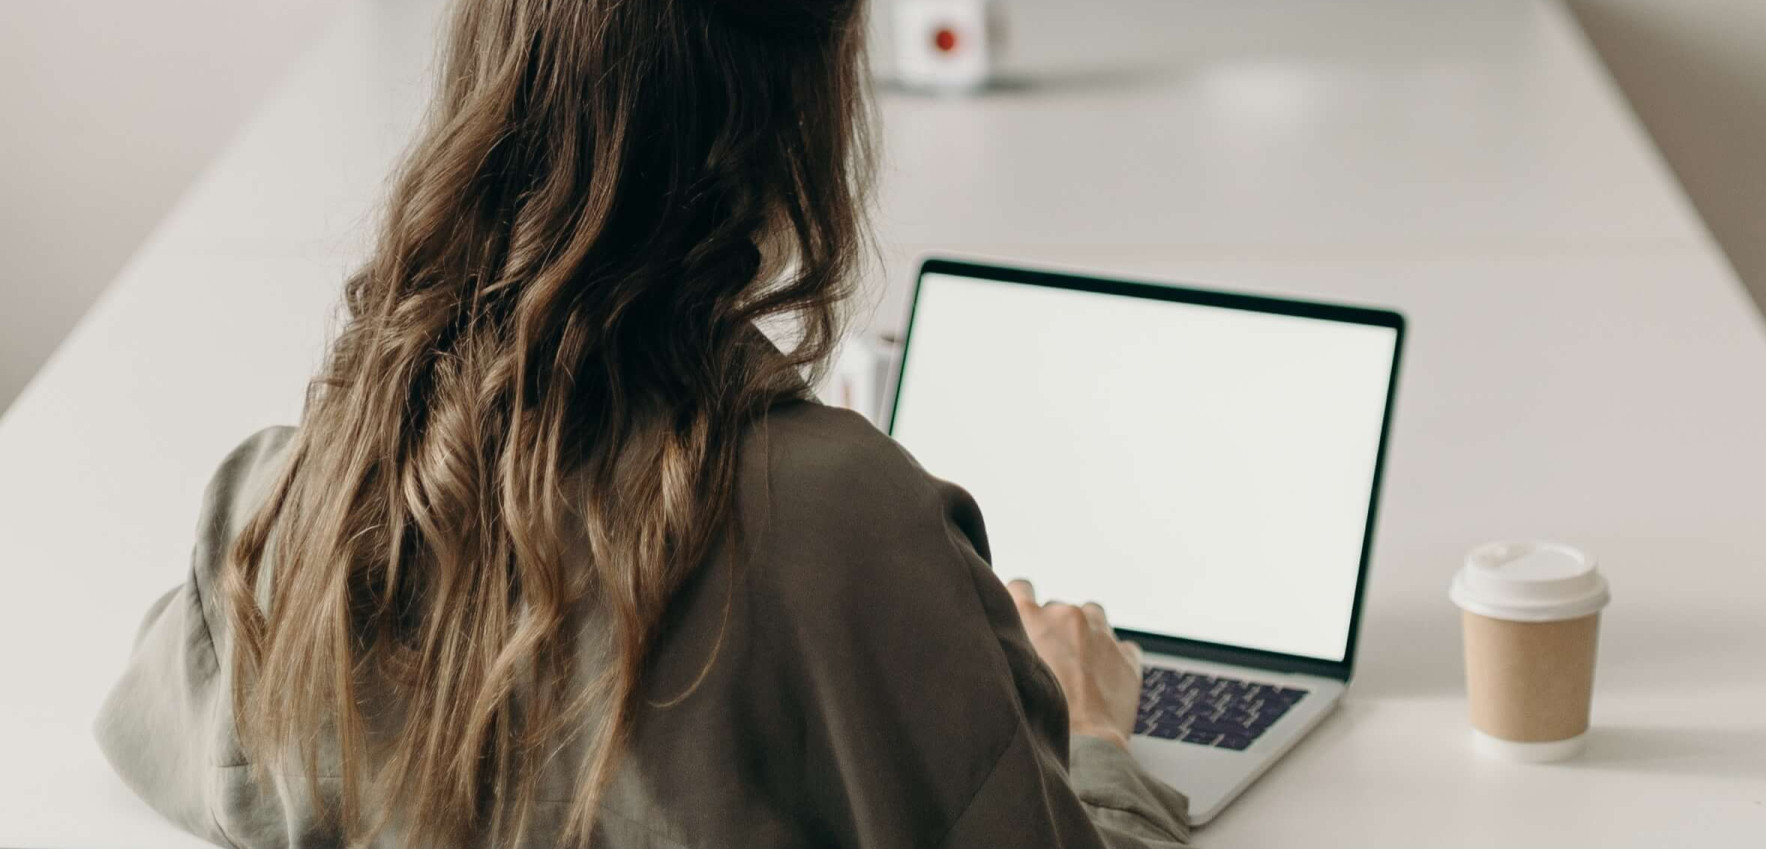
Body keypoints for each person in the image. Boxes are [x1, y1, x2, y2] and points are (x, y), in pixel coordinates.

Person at [94, 0, 1192, 847]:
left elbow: (162, 737)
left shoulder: (292, 508)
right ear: (811, 101)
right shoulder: (847, 536)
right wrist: (1095, 739)